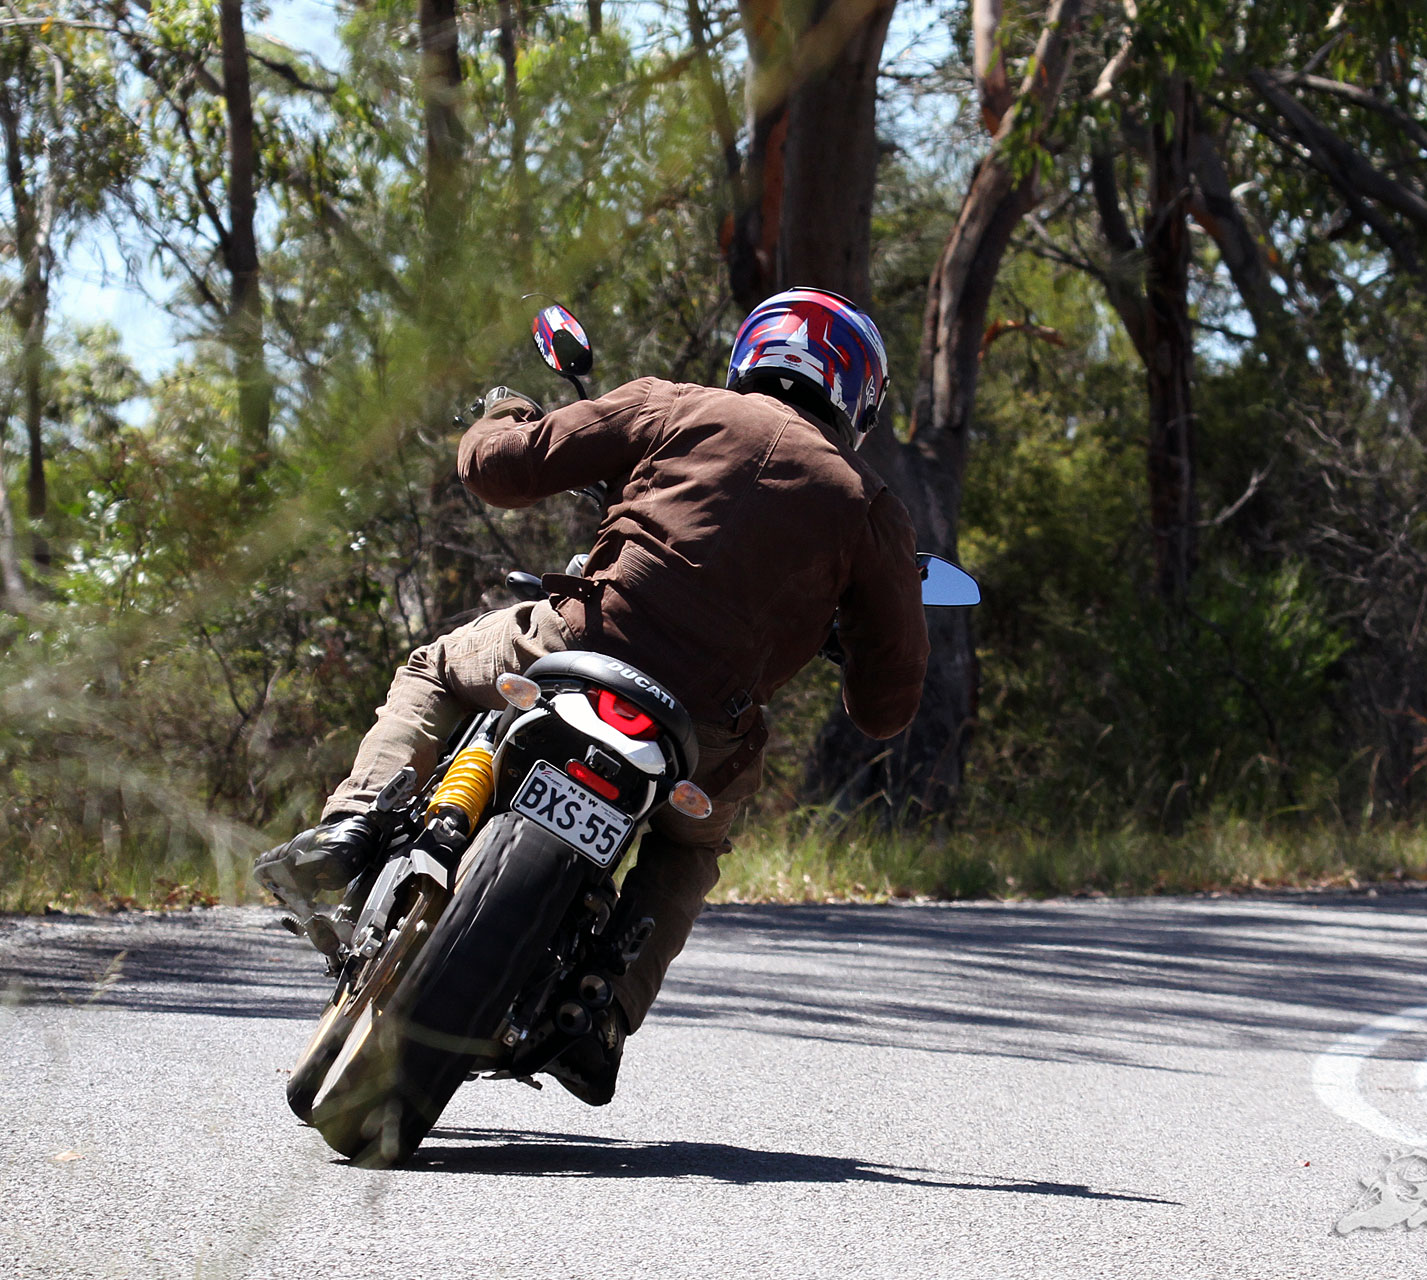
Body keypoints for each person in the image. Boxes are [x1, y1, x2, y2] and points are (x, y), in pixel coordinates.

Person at [255, 287, 930, 1101]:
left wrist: (505, 412)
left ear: (750, 353)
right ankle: (606, 1009)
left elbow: (502, 469)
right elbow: (885, 710)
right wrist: (853, 633)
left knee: (434, 668)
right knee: (688, 848)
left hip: (580, 647)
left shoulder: (674, 405)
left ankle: (354, 826)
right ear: (857, 396)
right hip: (701, 734)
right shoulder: (870, 508)